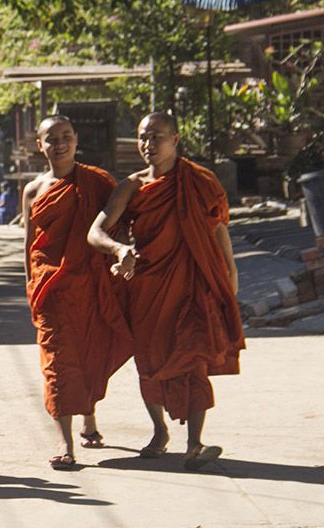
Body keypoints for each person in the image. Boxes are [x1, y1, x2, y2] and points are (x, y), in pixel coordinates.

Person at [87, 112, 244, 471]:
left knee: (194, 359)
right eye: (143, 137)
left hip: (193, 283)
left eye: (156, 137)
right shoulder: (132, 186)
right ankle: (159, 430)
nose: (148, 144)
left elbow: (219, 231)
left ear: (175, 139)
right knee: (151, 363)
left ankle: (195, 444)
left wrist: (230, 273)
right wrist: (118, 249)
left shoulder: (200, 181)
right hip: (148, 287)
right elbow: (95, 232)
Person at [22, 116, 133, 470]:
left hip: (90, 284)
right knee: (57, 362)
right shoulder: (33, 190)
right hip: (51, 287)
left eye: (66, 137)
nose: (60, 144)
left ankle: (89, 417)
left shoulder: (97, 182)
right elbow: (30, 245)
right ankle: (64, 442)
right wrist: (31, 285)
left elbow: (121, 223)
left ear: (76, 140)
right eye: (51, 138)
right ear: (39, 145)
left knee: (88, 353)